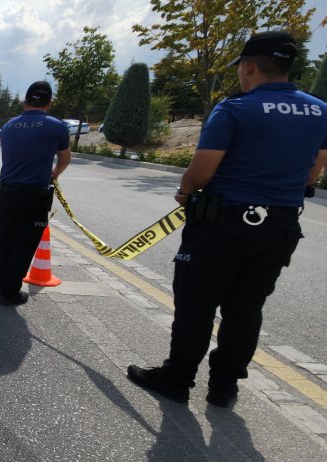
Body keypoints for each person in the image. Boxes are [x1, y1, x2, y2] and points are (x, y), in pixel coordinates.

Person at [127, 31, 327, 408]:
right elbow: (313, 174)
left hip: (222, 225)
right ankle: (224, 387)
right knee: (246, 308)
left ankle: (177, 378)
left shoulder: (235, 109)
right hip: (280, 226)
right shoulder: (319, 110)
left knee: (197, 305)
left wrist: (185, 192)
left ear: (248, 66)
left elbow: (202, 170)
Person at [0, 81, 71, 305]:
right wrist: (53, 174)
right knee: (24, 243)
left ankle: (1, 284)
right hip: (33, 195)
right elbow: (65, 158)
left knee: (5, 239)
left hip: (7, 191)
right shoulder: (56, 126)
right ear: (49, 103)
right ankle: (10, 292)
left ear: (24, 102)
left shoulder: (8, 126)